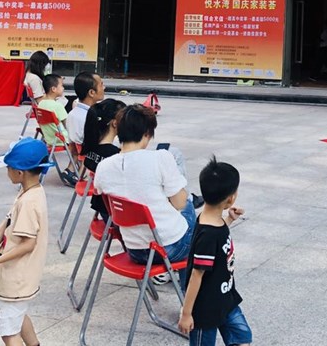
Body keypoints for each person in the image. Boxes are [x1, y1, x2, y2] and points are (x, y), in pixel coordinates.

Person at [93, 104, 199, 290]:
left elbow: (103, 192)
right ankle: (187, 291)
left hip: (134, 249)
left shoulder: (104, 167)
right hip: (169, 248)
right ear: (147, 133)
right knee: (189, 205)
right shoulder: (160, 158)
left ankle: (180, 283)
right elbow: (180, 203)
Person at [0, 137, 50, 346]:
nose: (7, 172)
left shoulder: (29, 202)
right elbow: (5, 224)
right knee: (18, 318)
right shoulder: (30, 191)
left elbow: (28, 244)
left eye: (9, 168)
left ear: (20, 173)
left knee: (8, 331)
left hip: (17, 277)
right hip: (19, 276)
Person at [177, 157, 251, 346]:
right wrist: (187, 314)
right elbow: (196, 275)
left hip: (226, 298)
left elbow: (216, 239)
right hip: (205, 308)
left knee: (242, 337)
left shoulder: (211, 220)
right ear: (231, 198)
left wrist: (229, 219)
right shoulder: (208, 233)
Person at [80, 98, 126, 220]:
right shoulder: (115, 156)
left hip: (102, 208)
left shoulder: (90, 147)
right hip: (115, 214)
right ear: (115, 123)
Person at [37, 73, 78, 186]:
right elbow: (68, 124)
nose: (63, 88)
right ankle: (71, 171)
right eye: (62, 85)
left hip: (49, 138)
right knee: (81, 145)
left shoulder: (41, 104)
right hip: (61, 138)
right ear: (53, 89)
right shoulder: (57, 106)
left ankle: (73, 171)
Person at [65, 71, 105, 146]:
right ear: (91, 92)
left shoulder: (72, 113)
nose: (104, 88)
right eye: (101, 85)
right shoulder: (89, 117)